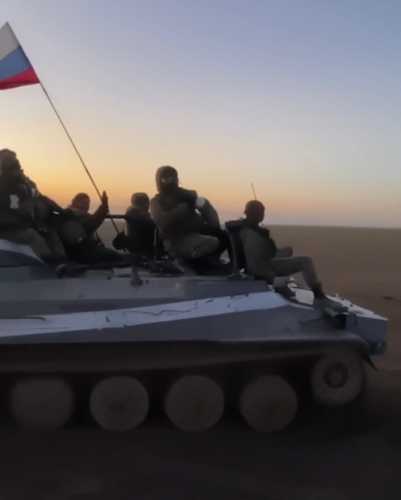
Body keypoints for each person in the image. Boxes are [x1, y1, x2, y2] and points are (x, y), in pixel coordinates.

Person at [239, 200, 337, 306]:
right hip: (264, 268)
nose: (262, 215)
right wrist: (272, 278)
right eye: (261, 212)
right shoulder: (252, 233)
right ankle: (319, 297)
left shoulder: (244, 228)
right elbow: (262, 258)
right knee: (306, 261)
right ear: (256, 213)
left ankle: (282, 286)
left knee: (288, 250)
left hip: (261, 262)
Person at [150, 166, 228, 271]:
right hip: (175, 239)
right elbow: (161, 222)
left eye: (173, 177)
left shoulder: (186, 195)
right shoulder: (156, 201)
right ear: (159, 180)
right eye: (166, 178)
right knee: (212, 242)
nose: (170, 181)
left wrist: (205, 207)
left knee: (224, 236)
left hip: (194, 233)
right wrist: (178, 211)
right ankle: (191, 264)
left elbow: (207, 211)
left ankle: (211, 261)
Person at [0, 149, 65, 261]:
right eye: (9, 160)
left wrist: (62, 211)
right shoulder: (4, 185)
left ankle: (62, 260)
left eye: (15, 160)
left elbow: (41, 198)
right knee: (32, 236)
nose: (15, 163)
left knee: (51, 230)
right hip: (8, 229)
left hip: (28, 223)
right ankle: (49, 262)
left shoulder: (26, 183)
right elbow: (12, 208)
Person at [60, 191, 123, 264]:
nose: (87, 205)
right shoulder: (73, 215)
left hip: (83, 249)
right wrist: (104, 206)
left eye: (88, 203)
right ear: (75, 202)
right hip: (81, 251)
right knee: (115, 257)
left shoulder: (76, 214)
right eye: (84, 203)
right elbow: (93, 222)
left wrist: (104, 207)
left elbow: (94, 221)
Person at [124, 193, 156, 258]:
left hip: (138, 248)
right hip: (141, 249)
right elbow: (150, 225)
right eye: (146, 202)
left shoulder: (131, 212)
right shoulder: (135, 214)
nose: (147, 205)